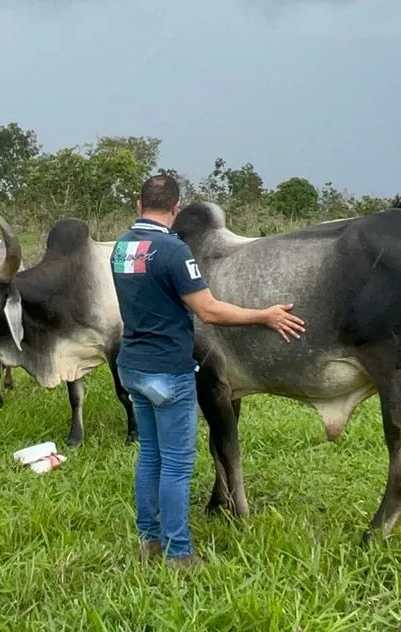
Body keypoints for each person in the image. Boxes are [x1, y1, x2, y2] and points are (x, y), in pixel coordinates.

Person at [109, 174, 305, 567]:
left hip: (132, 366)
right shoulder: (174, 250)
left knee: (150, 456)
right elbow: (209, 310)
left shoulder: (122, 247)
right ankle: (178, 552)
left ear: (138, 203)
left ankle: (148, 540)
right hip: (169, 371)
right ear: (176, 208)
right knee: (178, 464)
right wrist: (263, 315)